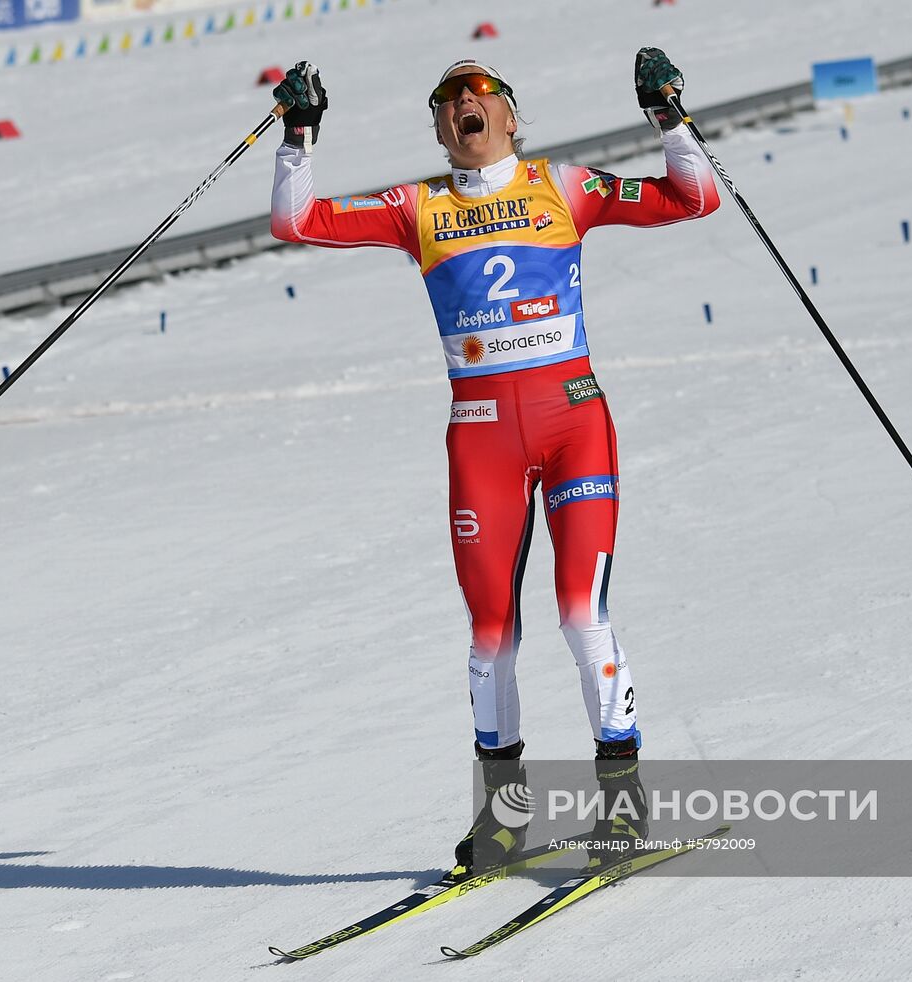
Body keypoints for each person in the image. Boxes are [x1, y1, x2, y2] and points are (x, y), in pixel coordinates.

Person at [270, 50, 720, 871]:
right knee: (490, 636)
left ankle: (623, 808)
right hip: (481, 434)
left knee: (583, 615)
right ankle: (505, 820)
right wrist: (299, 134)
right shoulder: (418, 206)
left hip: (574, 422)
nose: (460, 106)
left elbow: (697, 197)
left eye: (478, 95)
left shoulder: (566, 186)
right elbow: (297, 223)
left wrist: (669, 115)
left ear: (510, 115)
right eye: (444, 100)